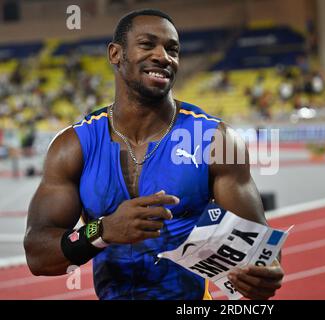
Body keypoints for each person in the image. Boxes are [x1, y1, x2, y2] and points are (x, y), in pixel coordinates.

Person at [23, 9, 284, 300]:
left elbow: (262, 252)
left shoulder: (216, 140)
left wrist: (263, 274)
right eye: (148, 45)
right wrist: (103, 230)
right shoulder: (73, 145)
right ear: (115, 54)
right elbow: (37, 254)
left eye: (172, 49)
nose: (164, 56)